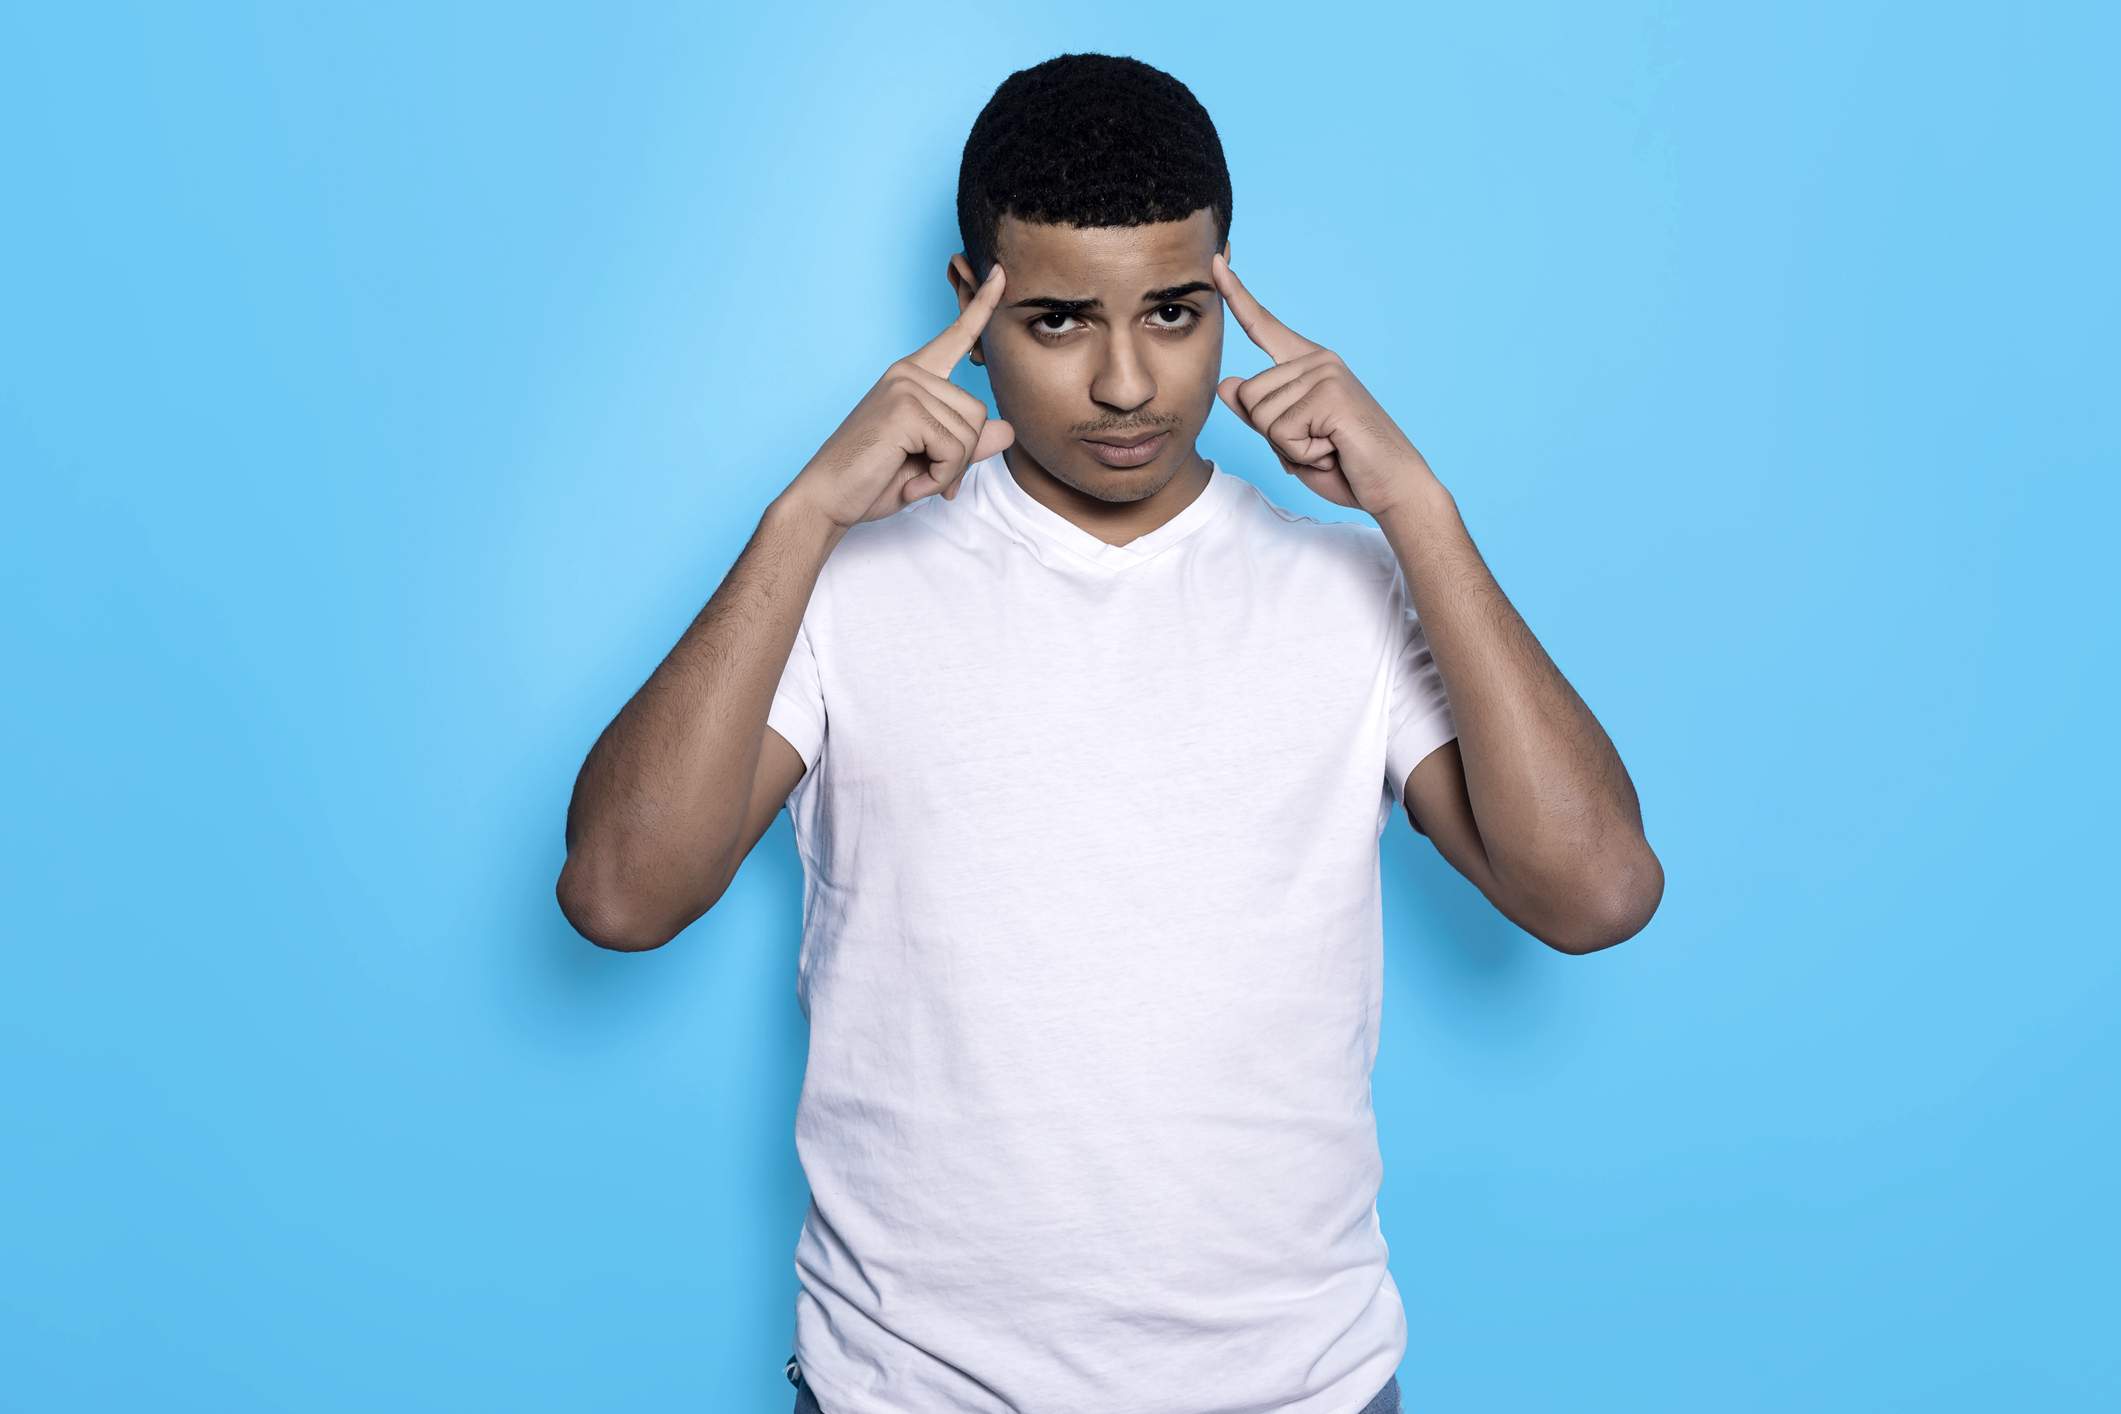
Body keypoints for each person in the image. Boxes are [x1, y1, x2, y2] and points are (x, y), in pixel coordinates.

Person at [557, 52, 1662, 1414]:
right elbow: (618, 892)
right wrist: (799, 519)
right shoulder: (842, 588)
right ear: (971, 306)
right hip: (913, 1392)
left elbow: (1596, 890)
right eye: (1063, 322)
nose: (1131, 382)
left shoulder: (1353, 592)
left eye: (1177, 312)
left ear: (1226, 292)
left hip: (1296, 1390)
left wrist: (1416, 508)